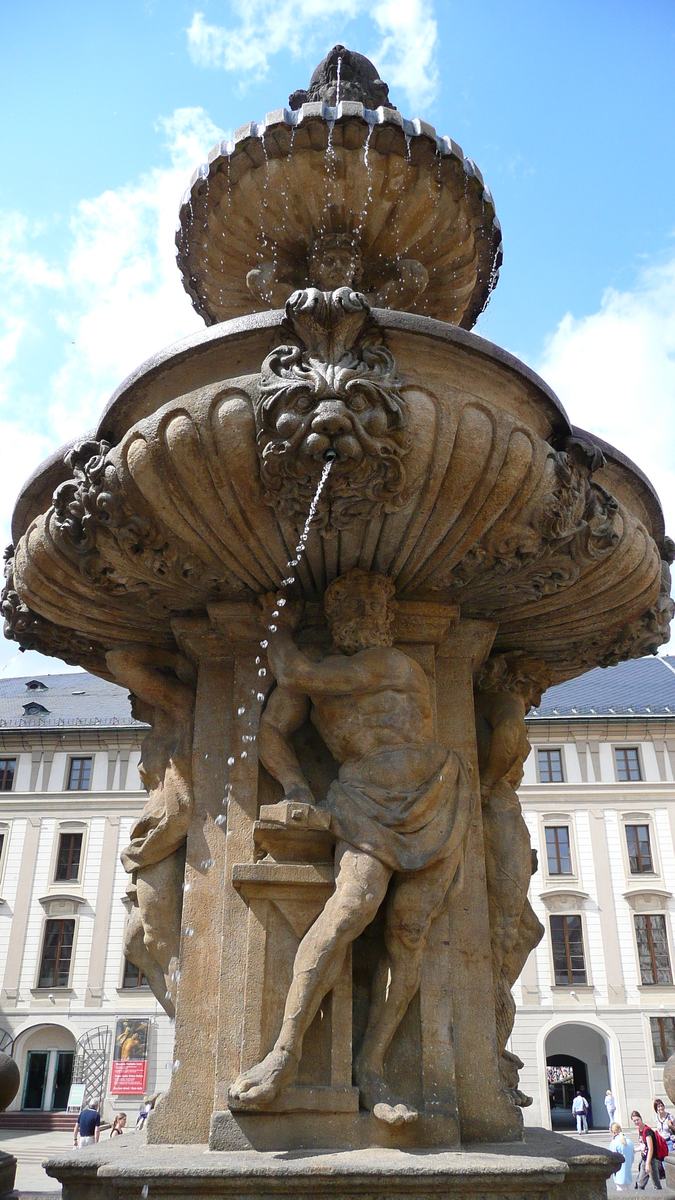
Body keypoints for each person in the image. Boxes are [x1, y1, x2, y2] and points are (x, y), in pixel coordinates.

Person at [228, 570, 474, 1126]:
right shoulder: (316, 680)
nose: (362, 615)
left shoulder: (390, 664)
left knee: (409, 931)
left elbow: (293, 668)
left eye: (371, 607)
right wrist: (294, 785)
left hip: (434, 795)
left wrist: (279, 626)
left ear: (387, 620)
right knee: (351, 907)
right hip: (362, 799)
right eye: (349, 608)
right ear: (336, 622)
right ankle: (284, 1054)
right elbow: (270, 731)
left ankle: (374, 1066)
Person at [632, 1110, 664, 1190]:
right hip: (644, 1159)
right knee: (640, 1184)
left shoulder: (647, 1131)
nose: (636, 1122)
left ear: (641, 1118)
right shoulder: (640, 1130)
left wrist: (647, 1163)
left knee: (656, 1184)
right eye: (634, 1121)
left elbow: (651, 1149)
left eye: (637, 1120)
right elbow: (643, 1146)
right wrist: (635, 1149)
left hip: (651, 1160)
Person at [609, 1123, 635, 1192]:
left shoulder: (614, 1143)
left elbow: (612, 1159)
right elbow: (632, 1159)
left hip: (619, 1175)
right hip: (629, 1175)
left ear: (613, 1132)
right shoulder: (629, 1142)